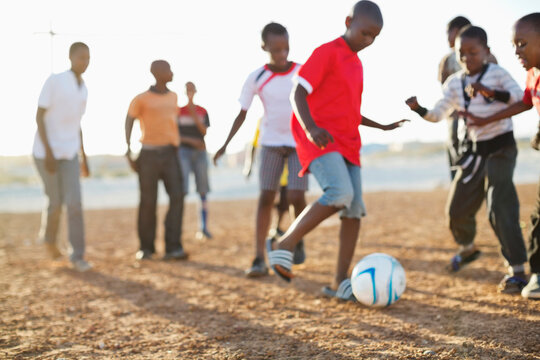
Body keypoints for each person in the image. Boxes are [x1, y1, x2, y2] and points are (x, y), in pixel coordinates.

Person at [267, 1, 407, 301]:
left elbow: (349, 110)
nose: (368, 41)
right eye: (365, 32)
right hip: (320, 139)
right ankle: (285, 244)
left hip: (349, 143)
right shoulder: (327, 52)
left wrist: (381, 127)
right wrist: (310, 128)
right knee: (340, 193)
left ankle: (340, 282)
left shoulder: (357, 64)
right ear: (348, 21)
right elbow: (298, 91)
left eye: (374, 37)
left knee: (354, 209)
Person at [405, 25, 528, 294]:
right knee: (456, 210)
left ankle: (517, 269)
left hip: (501, 148)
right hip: (473, 151)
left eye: (473, 52)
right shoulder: (454, 83)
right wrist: (419, 109)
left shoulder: (497, 74)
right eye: (462, 53)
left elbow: (520, 99)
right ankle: (468, 247)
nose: (467, 58)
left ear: (486, 51)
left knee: (499, 206)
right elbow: (438, 114)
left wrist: (489, 92)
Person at [214, 23, 308, 278]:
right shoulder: (256, 77)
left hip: (299, 144)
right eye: (276, 49)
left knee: (297, 198)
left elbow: (319, 102)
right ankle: (258, 257)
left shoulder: (302, 71)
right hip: (270, 144)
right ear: (264, 47)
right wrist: (225, 145)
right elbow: (241, 114)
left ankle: (297, 240)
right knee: (266, 197)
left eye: (286, 47)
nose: (282, 53)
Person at [461, 13, 540, 299]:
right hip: (483, 146)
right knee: (535, 219)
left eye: (522, 43)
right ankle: (531, 274)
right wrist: (484, 119)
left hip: (502, 146)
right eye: (514, 45)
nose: (517, 50)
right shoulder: (533, 74)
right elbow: (524, 104)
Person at [33, 42, 92, 272]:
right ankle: (49, 241)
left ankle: (78, 255)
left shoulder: (83, 88)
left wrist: (84, 157)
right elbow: (39, 117)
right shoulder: (55, 81)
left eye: (88, 58)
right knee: (55, 202)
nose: (84, 62)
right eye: (81, 58)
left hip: (69, 153)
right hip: (45, 152)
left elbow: (77, 125)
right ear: (70, 57)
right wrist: (48, 151)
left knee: (75, 203)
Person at [125, 60, 187, 261]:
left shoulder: (174, 97)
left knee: (177, 197)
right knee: (148, 202)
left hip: (170, 154)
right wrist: (128, 150)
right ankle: (146, 248)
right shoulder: (141, 99)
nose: (172, 72)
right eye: (169, 69)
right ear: (158, 73)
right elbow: (129, 120)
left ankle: (173, 246)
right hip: (149, 155)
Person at [438, 16, 497, 179]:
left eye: (447, 33)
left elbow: (445, 91)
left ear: (456, 31)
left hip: (465, 120)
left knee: (461, 165)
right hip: (477, 119)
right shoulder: (487, 56)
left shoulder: (449, 59)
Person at [177, 81, 212, 240]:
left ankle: (203, 228)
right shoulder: (177, 111)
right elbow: (175, 134)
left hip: (200, 153)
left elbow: (203, 131)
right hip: (183, 152)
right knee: (182, 188)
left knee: (203, 190)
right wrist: (191, 141)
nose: (190, 91)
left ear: (195, 91)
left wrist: (193, 113)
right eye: (188, 89)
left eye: (192, 89)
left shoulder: (202, 111)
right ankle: (178, 228)